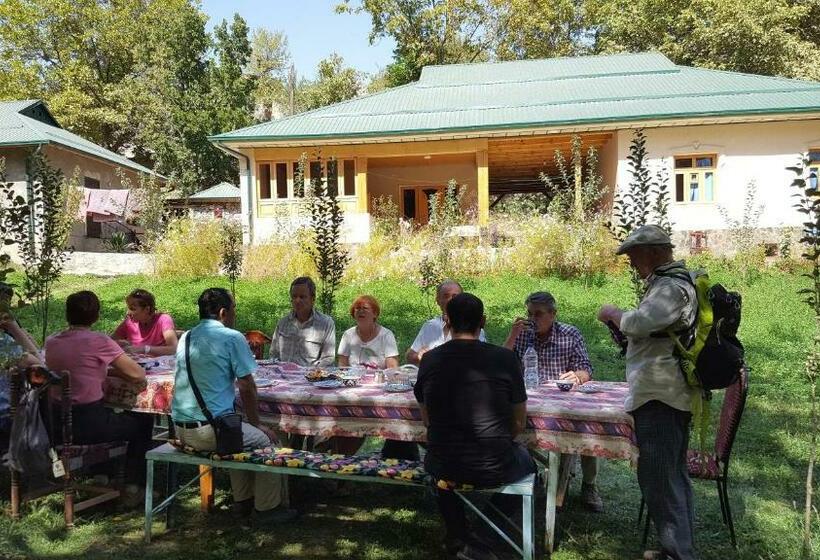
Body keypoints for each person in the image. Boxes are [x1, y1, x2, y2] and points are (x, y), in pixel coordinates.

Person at [597, 225, 697, 560]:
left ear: (654, 252)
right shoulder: (668, 283)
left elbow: (639, 324)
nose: (630, 262)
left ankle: (678, 553)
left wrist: (613, 313)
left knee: (660, 478)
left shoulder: (671, 287)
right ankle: (676, 548)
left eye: (633, 255)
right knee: (670, 476)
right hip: (662, 392)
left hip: (661, 395)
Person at [414, 293, 535, 560]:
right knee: (529, 466)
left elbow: (427, 420)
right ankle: (481, 538)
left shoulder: (430, 360)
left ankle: (458, 534)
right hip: (494, 463)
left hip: (443, 461)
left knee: (438, 466)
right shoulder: (505, 359)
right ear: (483, 321)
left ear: (447, 321)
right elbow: (519, 422)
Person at [172, 287, 296, 524]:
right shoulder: (232, 337)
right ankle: (267, 508)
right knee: (268, 441)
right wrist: (257, 424)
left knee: (237, 434)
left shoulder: (186, 337)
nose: (235, 314)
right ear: (223, 313)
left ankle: (243, 501)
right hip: (209, 431)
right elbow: (247, 386)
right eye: (234, 309)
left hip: (180, 429)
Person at [45, 291, 153, 497]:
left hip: (55, 425)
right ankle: (133, 484)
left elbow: (78, 368)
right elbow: (137, 374)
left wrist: (105, 369)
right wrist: (115, 367)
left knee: (109, 414)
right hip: (89, 425)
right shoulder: (98, 341)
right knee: (142, 422)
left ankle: (101, 474)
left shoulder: (51, 341)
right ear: (96, 316)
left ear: (67, 314)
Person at [503, 291, 603, 512]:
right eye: (529, 314)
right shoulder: (522, 334)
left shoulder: (570, 334)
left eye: (538, 314)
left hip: (564, 400)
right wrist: (512, 334)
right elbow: (499, 363)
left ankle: (589, 484)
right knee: (509, 423)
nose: (532, 319)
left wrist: (578, 376)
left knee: (589, 427)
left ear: (553, 314)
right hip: (530, 398)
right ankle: (527, 476)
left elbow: (586, 369)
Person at [406, 280, 486, 365]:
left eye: (455, 296)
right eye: (446, 296)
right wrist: (419, 356)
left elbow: (480, 356)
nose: (451, 300)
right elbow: (410, 356)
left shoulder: (473, 326)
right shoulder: (430, 326)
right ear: (438, 300)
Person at [270, 277, 335, 367]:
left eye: (302, 297)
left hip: (311, 374)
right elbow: (274, 355)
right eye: (294, 296)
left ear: (312, 299)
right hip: (284, 374)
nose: (297, 301)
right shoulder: (283, 323)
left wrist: (312, 372)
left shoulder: (325, 324)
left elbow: (328, 358)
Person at [338, 295, 399, 369]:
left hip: (379, 376)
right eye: (357, 308)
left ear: (375, 314)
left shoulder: (386, 335)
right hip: (352, 376)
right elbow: (342, 366)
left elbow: (392, 368)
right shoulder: (348, 335)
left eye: (365, 308)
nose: (361, 311)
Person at [112, 289, 178, 356]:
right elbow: (110, 342)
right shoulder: (129, 323)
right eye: (128, 308)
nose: (128, 313)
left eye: (133, 309)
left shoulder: (163, 320)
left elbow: (174, 349)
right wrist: (118, 343)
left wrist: (145, 349)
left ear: (147, 309)